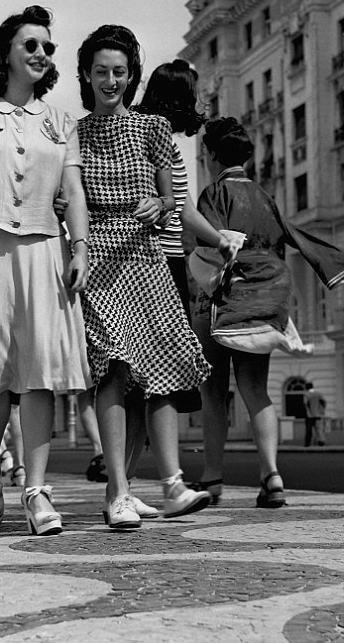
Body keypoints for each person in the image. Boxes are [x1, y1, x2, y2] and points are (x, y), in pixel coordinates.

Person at [0, 5, 92, 536]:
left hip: (43, 251)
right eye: (30, 44)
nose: (41, 54)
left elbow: (72, 192)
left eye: (48, 47)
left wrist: (80, 249)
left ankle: (36, 489)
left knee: (40, 372)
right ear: (5, 51)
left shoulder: (61, 122)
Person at [75, 24, 215, 529]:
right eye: (100, 72)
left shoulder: (153, 127)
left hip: (147, 257)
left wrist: (161, 203)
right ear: (86, 77)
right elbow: (63, 198)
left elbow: (173, 197)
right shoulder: (73, 133)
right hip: (98, 262)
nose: (110, 80)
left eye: (119, 72)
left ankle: (170, 485)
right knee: (112, 371)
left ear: (131, 75)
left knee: (161, 373)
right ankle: (118, 493)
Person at [188, 118, 344, 507]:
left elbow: (209, 242)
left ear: (212, 156)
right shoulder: (267, 197)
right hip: (267, 300)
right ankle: (272, 476)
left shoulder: (213, 194)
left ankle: (212, 479)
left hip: (221, 301)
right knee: (256, 391)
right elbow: (294, 239)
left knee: (213, 394)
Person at [123, 59, 240, 498]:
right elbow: (185, 211)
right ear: (182, 97)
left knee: (135, 380)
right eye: (193, 94)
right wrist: (221, 242)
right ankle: (158, 485)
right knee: (160, 376)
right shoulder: (157, 136)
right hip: (159, 261)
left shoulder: (135, 128)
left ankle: (125, 485)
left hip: (130, 259)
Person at [304, 382, 327, 447]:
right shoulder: (318, 394)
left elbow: (305, 404)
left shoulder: (306, 394)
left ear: (306, 387)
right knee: (319, 429)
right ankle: (321, 442)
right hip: (318, 415)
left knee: (309, 430)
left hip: (310, 416)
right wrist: (322, 411)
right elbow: (324, 402)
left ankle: (307, 443)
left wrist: (308, 413)